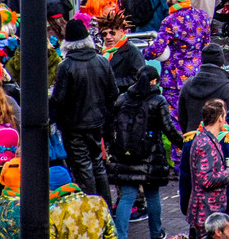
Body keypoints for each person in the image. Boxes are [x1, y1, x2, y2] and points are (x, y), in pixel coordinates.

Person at [108, 65, 185, 239]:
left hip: (125, 156)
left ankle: (120, 235)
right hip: (151, 156)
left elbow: (111, 125)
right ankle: (156, 234)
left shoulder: (122, 99)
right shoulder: (157, 100)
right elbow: (168, 128)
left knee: (127, 197)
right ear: (154, 81)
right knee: (152, 196)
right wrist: (184, 143)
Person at [50, 18, 116, 199]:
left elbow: (59, 99)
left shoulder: (66, 66)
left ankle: (91, 208)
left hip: (74, 126)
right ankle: (105, 208)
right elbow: (113, 93)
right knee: (98, 164)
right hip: (97, 122)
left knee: (82, 167)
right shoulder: (102, 61)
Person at [144, 0, 212, 126]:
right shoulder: (203, 16)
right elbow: (207, 45)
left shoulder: (170, 21)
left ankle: (179, 148)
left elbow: (156, 50)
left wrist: (144, 51)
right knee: (197, 117)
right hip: (197, 74)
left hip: (175, 78)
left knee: (176, 120)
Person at [188, 99, 229, 238]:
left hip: (210, 210)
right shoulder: (205, 143)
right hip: (206, 211)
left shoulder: (207, 139)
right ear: (220, 117)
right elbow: (205, 180)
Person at [180, 43, 229, 133]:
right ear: (222, 62)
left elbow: (182, 118)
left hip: (192, 140)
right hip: (219, 141)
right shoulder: (228, 88)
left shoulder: (187, 85)